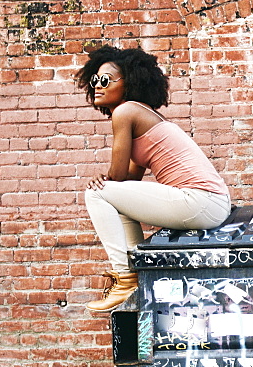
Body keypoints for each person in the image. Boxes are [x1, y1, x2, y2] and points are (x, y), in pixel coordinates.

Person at [76, 46, 231, 312]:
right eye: (94, 81)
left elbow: (117, 176)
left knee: (96, 193)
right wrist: (112, 182)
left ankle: (125, 278)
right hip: (209, 203)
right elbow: (126, 182)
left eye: (105, 80)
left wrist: (104, 180)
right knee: (114, 197)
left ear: (130, 83)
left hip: (200, 201)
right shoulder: (141, 116)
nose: (97, 87)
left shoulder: (125, 112)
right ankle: (140, 271)